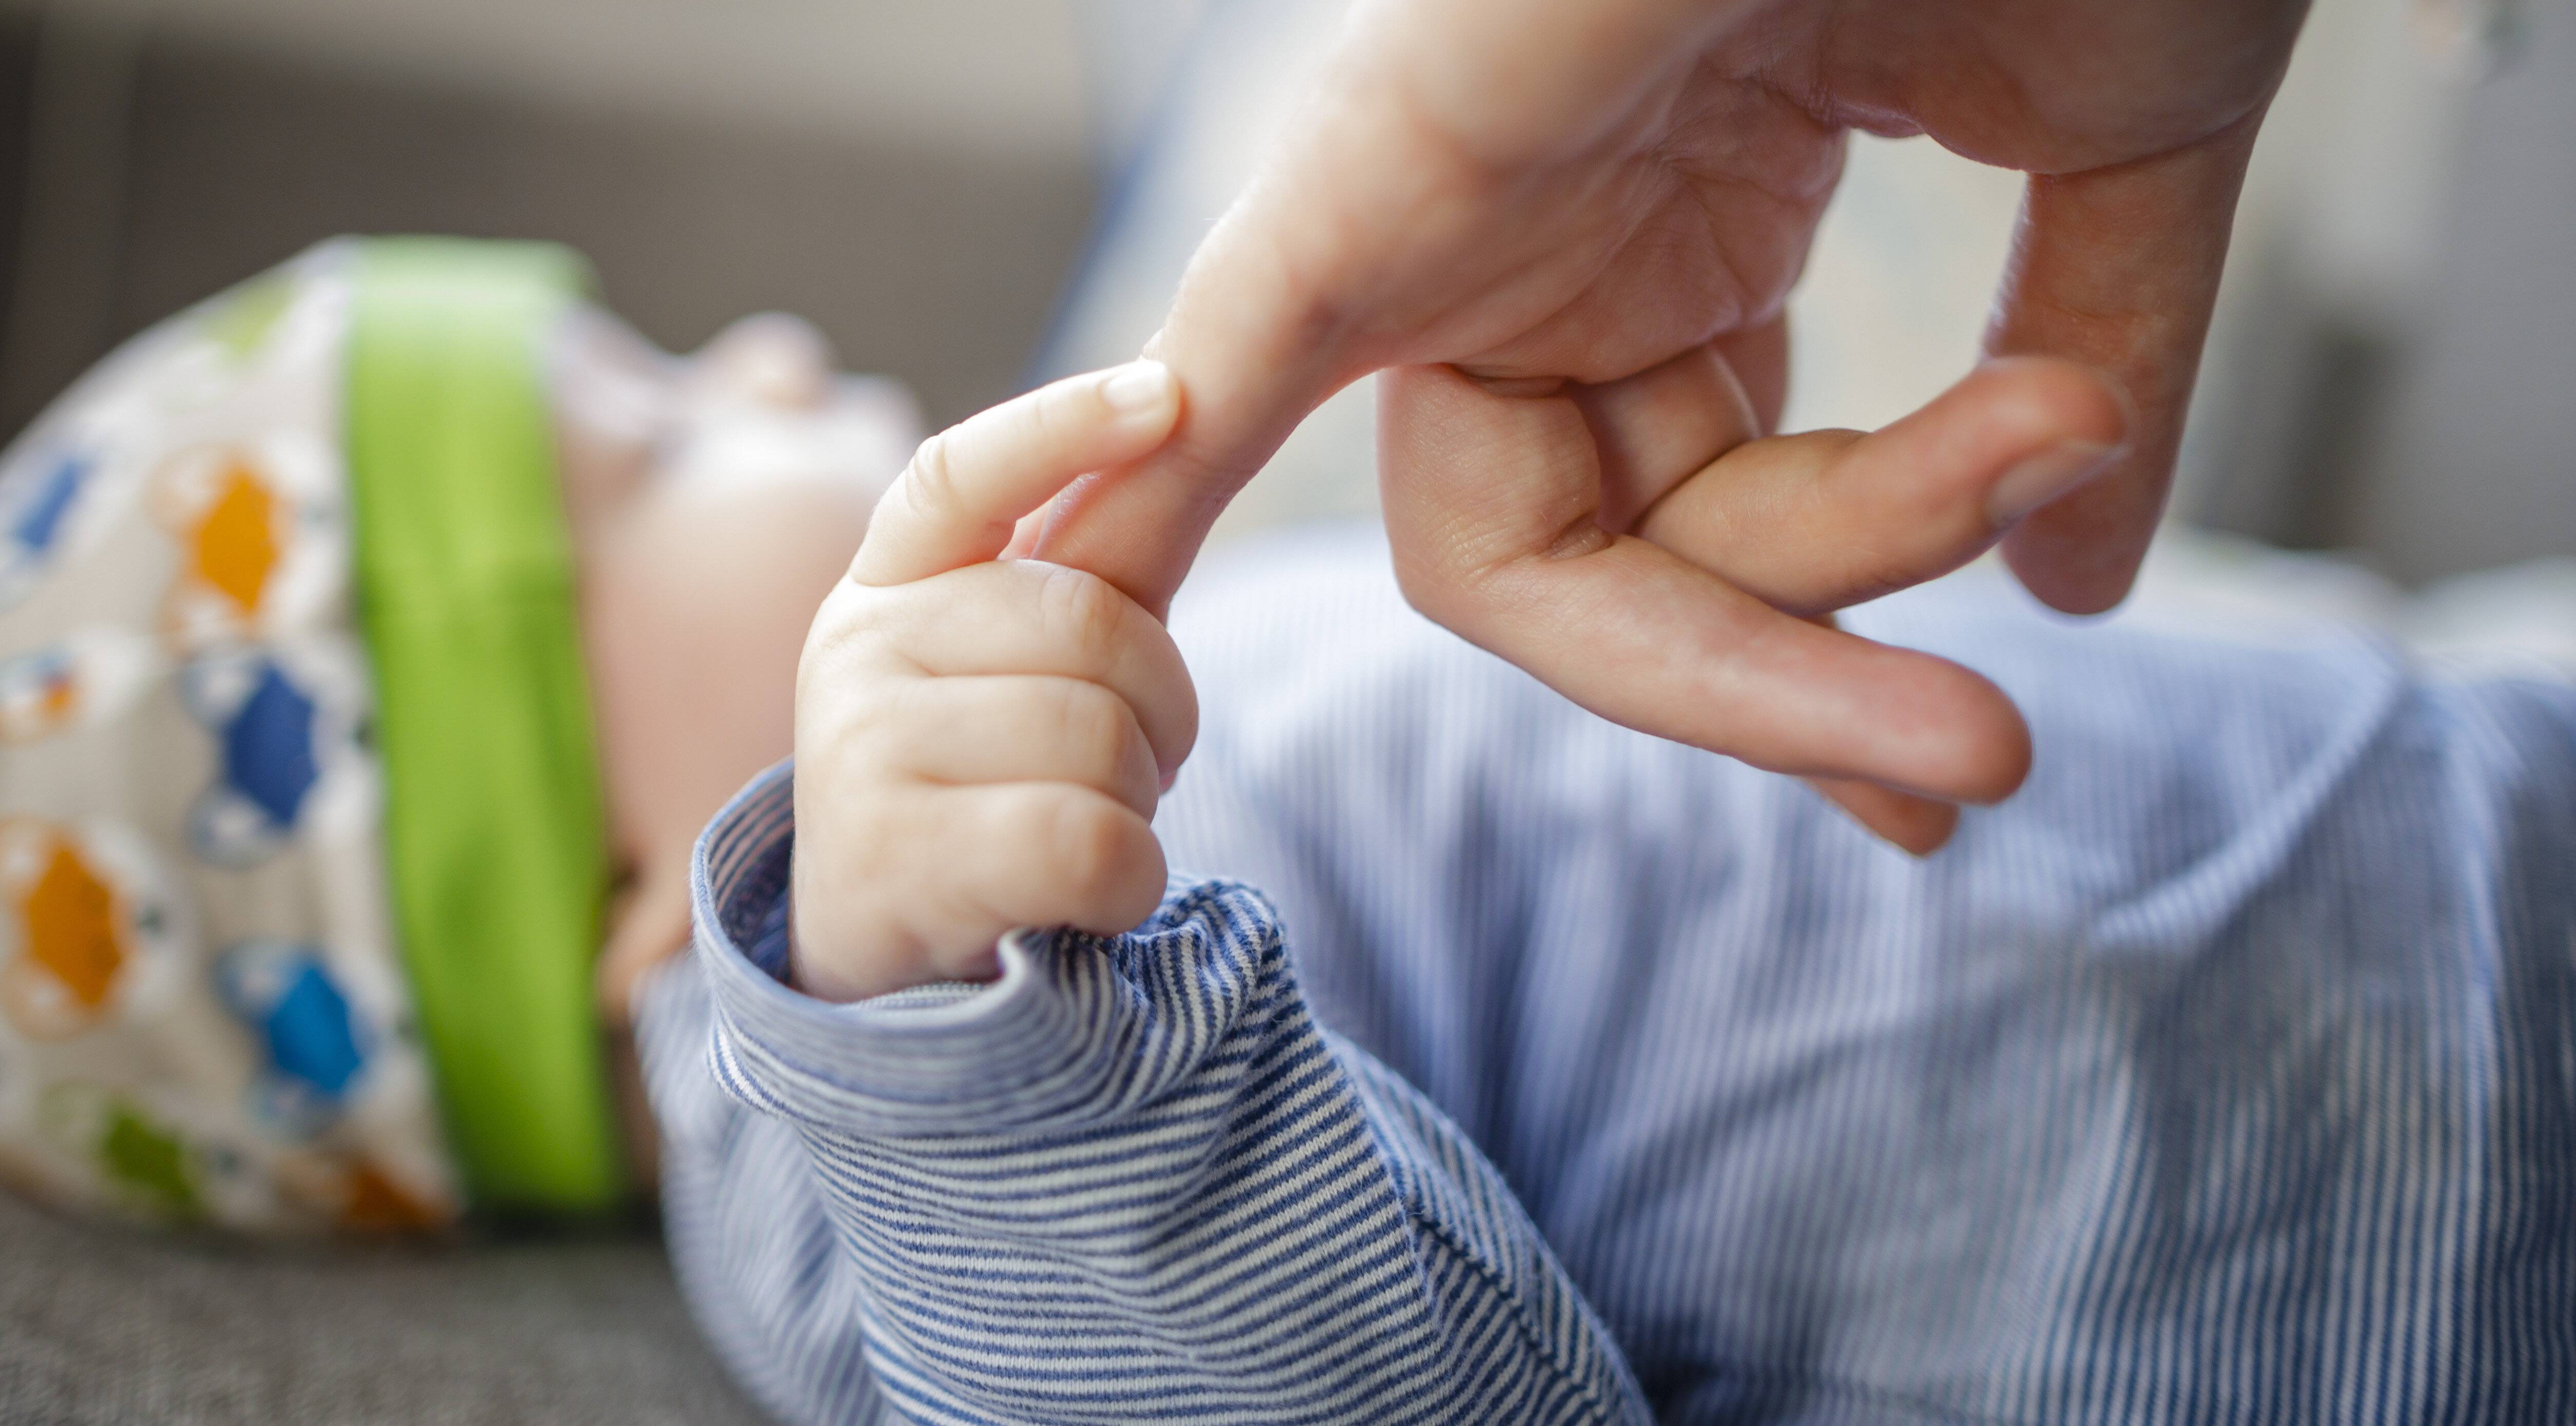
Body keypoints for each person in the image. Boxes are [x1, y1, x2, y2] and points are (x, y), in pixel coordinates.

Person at [666, 357, 2576, 1423]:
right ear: (597, 901)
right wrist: (928, 1019)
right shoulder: (824, 1109)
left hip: (2444, 772)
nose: (751, 349)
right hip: (2376, 1203)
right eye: (633, 440)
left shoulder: (1164, 626)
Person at [1029, 0, 2372, 854]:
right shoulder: (1058, 814)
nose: (807, 368)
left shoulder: (1172, 692)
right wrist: (892, 965)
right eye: (806, 378)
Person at [0, 237, 911, 1229]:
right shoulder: (852, 1235)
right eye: (667, 437)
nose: (775, 356)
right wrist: (884, 985)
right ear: (637, 916)